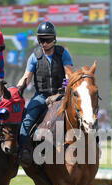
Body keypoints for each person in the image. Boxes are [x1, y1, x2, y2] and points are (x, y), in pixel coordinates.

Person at [16, 21, 73, 167]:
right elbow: (27, 77)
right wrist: (16, 91)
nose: (44, 43)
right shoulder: (34, 56)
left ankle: (90, 143)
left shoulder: (62, 53)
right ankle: (21, 152)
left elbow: (69, 74)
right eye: (41, 39)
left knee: (80, 114)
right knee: (27, 119)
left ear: (54, 39)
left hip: (60, 94)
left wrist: (64, 90)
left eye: (47, 39)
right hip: (41, 95)